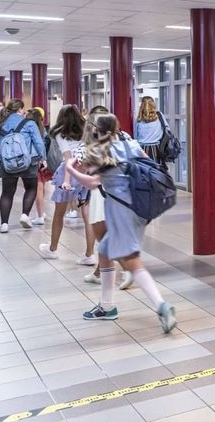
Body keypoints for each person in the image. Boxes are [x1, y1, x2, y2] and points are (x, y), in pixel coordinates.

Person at [66, 113, 176, 333]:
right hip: (138, 207)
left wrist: (70, 169)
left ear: (96, 129)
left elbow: (91, 183)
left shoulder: (97, 150)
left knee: (132, 262)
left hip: (120, 212)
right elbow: (148, 162)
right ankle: (107, 306)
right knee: (105, 249)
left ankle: (162, 306)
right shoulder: (129, 143)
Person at [80, 106, 130, 287]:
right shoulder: (126, 139)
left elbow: (86, 169)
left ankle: (128, 268)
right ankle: (99, 272)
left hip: (102, 194)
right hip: (122, 192)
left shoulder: (95, 146)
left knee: (105, 237)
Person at [39, 105, 94, 263]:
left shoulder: (59, 133)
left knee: (59, 213)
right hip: (86, 171)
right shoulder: (87, 129)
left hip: (69, 172)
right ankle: (90, 254)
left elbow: (68, 157)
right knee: (87, 214)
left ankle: (53, 249)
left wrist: (66, 180)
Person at [0, 99, 46, 233]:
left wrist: (0, 161)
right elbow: (38, 143)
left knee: (7, 193)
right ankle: (25, 215)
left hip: (7, 163)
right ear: (20, 109)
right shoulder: (29, 123)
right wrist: (42, 158)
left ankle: (4, 224)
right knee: (31, 188)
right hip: (29, 162)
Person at [26, 107, 50, 226]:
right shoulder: (42, 129)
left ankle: (40, 215)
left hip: (35, 161)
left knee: (37, 189)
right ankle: (42, 212)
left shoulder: (29, 129)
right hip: (42, 162)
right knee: (42, 187)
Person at [134, 96, 165, 164]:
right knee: (156, 170)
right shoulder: (159, 115)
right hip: (156, 148)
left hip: (141, 149)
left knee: (143, 171)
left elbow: (136, 136)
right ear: (153, 104)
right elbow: (166, 129)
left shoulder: (139, 119)